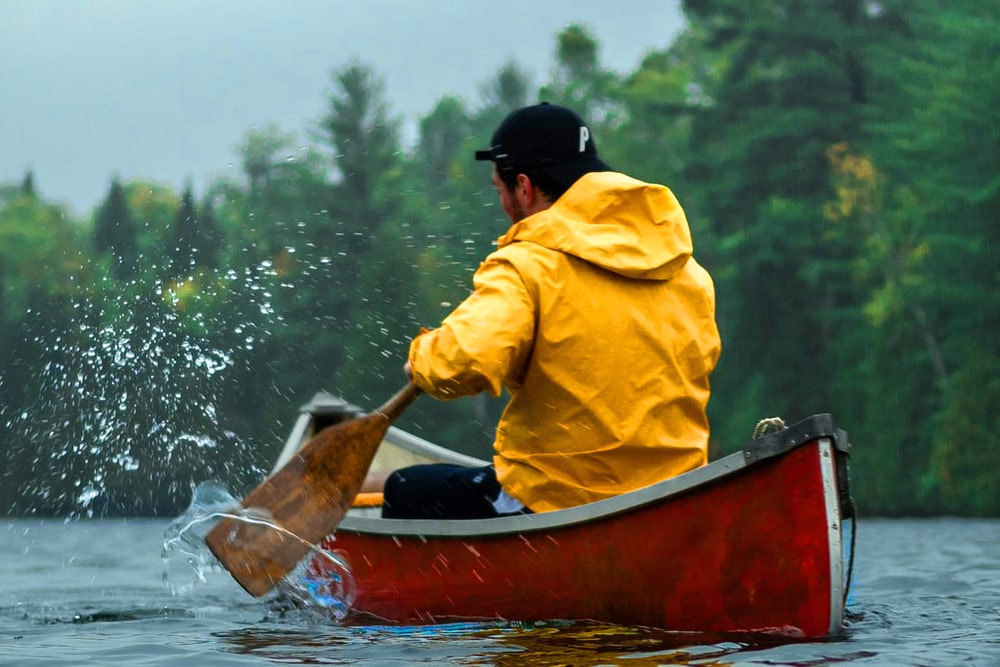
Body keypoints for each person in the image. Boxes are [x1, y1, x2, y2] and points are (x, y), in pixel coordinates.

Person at [378, 102, 721, 519]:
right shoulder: (688, 272)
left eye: (499, 190)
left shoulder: (526, 266)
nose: (503, 203)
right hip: (675, 496)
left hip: (558, 502)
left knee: (402, 489)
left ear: (524, 187)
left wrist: (421, 360)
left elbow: (460, 363)